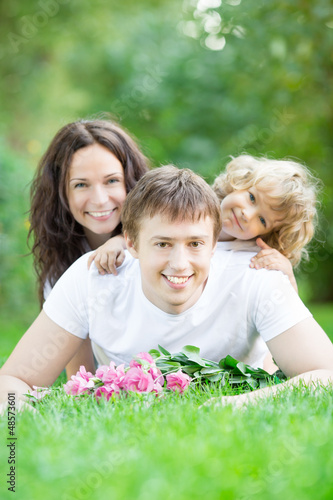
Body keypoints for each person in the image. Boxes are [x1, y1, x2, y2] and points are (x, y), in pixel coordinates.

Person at [0, 166, 332, 411]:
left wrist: (237, 404)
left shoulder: (258, 276)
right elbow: (12, 381)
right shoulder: (91, 278)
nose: (179, 263)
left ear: (215, 243)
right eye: (162, 243)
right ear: (130, 242)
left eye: (195, 244)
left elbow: (327, 374)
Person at [28, 118, 150, 377]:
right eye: (81, 184)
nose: (100, 199)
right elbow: (81, 379)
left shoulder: (162, 242)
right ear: (62, 194)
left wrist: (124, 242)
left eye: (112, 181)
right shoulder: (64, 270)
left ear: (131, 181)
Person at [212, 154, 320, 293]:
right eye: (252, 198)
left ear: (267, 234)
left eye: (262, 220)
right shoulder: (190, 211)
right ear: (240, 183)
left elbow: (287, 309)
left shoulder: (254, 258)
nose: (248, 215)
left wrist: (289, 279)